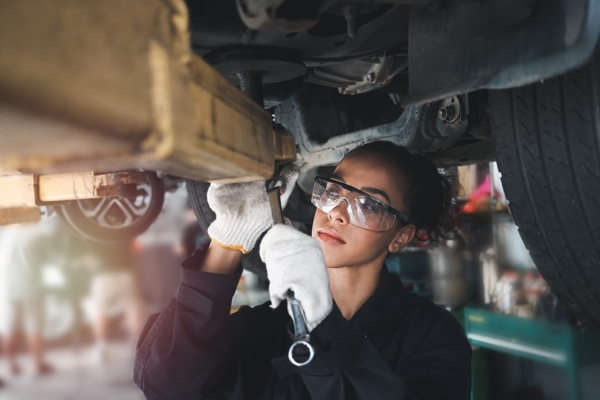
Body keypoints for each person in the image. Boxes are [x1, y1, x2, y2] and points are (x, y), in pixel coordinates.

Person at [134, 141, 472, 399]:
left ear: (401, 237)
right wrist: (228, 240)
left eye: (369, 204)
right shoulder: (268, 326)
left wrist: (321, 324)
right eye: (334, 191)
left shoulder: (433, 336)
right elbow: (166, 384)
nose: (336, 212)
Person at [0, 220, 58, 377]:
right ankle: (38, 364)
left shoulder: (6, 232)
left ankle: (11, 365)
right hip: (31, 286)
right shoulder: (38, 232)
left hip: (7, 286)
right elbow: (50, 257)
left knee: (8, 327)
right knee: (34, 327)